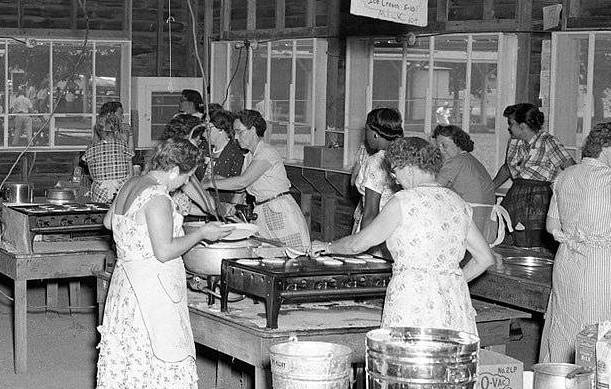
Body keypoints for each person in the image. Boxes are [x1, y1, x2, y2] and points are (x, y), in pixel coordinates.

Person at [95, 138, 233, 389]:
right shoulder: (157, 195)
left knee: (133, 366)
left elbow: (111, 223)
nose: (184, 183)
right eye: (184, 177)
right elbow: (164, 250)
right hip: (153, 292)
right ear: (173, 169)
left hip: (126, 288)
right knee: (169, 366)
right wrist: (201, 233)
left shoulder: (132, 183)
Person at [310, 137, 494, 334]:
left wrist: (327, 246)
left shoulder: (403, 202)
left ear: (408, 168)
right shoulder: (459, 203)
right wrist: (450, 282)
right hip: (454, 301)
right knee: (448, 361)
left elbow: (357, 244)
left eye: (395, 171)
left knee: (408, 360)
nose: (394, 178)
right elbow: (484, 259)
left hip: (412, 298)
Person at [540, 122, 611, 362]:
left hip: (567, 256)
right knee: (599, 324)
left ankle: (558, 381)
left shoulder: (566, 176)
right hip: (602, 261)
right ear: (606, 148)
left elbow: (551, 227)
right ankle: (595, 388)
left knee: (564, 322)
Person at [209, 109, 312, 250]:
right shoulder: (249, 156)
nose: (236, 137)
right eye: (235, 133)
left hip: (279, 210)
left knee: (292, 254)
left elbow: (242, 181)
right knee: (266, 257)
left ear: (253, 130)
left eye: (240, 132)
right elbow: (241, 188)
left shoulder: (266, 153)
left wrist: (209, 183)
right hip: (262, 211)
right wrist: (232, 208)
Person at [493, 103, 574, 247]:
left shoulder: (548, 142)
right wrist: (490, 189)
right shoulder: (514, 141)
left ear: (523, 126)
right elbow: (508, 168)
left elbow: (571, 169)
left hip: (538, 198)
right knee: (509, 238)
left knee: (533, 241)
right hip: (516, 195)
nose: (509, 128)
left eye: (511, 124)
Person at [433, 124, 498, 243]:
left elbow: (432, 190)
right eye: (438, 146)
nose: (440, 150)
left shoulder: (455, 162)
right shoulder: (469, 160)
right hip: (485, 223)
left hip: (470, 221)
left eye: (444, 145)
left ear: (459, 144)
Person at [351, 107, 403, 232]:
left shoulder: (376, 162)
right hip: (396, 224)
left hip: (377, 228)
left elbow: (371, 212)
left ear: (375, 134)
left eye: (366, 130)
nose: (365, 135)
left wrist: (363, 244)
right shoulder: (402, 156)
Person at [201, 107, 246, 217]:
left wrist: (232, 211)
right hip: (202, 205)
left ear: (220, 129)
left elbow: (239, 189)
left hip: (224, 209)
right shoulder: (202, 147)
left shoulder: (235, 154)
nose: (203, 134)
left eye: (207, 129)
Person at [83, 111, 134, 203]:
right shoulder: (123, 146)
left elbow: (93, 176)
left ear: (98, 131)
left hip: (100, 193)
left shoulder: (92, 149)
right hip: (122, 192)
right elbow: (130, 174)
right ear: (115, 130)